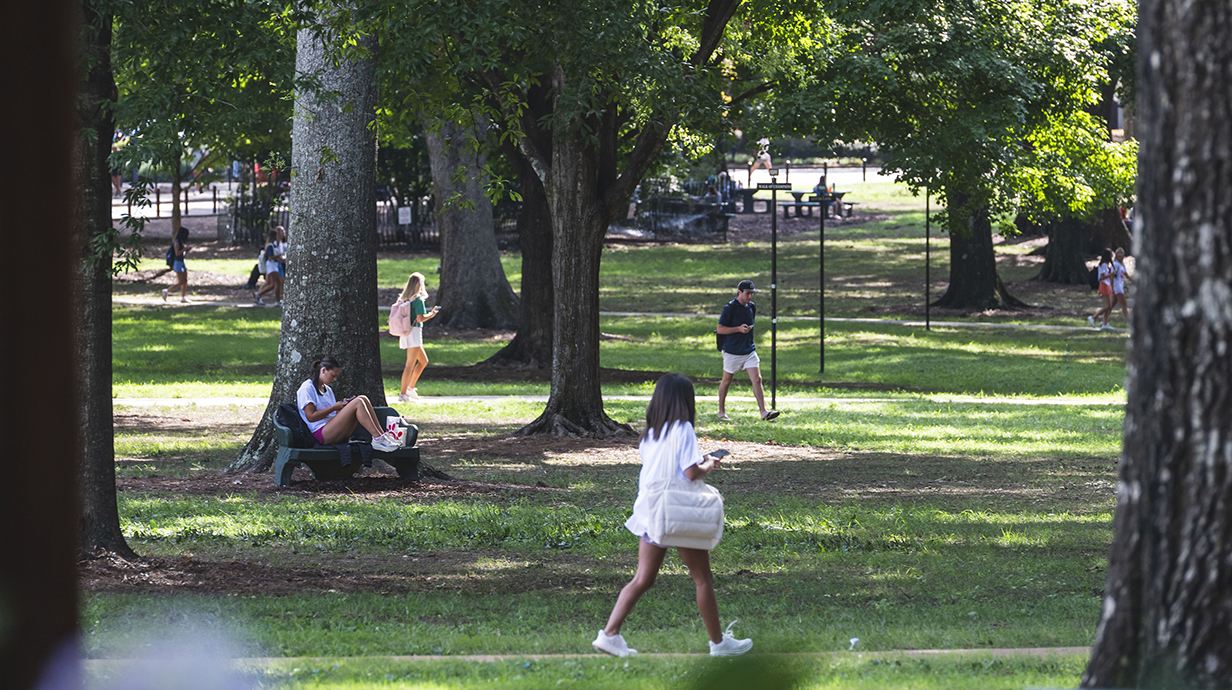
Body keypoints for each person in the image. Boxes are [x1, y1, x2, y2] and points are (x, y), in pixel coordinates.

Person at [593, 373, 753, 658]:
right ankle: (719, 644)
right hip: (677, 511)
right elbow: (690, 473)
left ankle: (610, 634)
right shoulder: (684, 430)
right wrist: (710, 463)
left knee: (642, 578)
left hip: (651, 510)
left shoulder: (651, 435)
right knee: (702, 579)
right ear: (685, 401)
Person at [298, 356, 401, 452]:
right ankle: (378, 439)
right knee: (358, 402)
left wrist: (342, 408)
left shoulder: (327, 389)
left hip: (332, 428)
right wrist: (334, 407)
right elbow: (310, 416)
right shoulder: (307, 388)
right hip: (321, 434)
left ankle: (382, 436)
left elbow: (331, 414)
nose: (335, 380)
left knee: (362, 398)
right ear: (323, 370)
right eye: (333, 376)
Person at [717, 279, 779, 421]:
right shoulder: (730, 308)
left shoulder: (752, 307)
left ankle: (764, 412)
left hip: (749, 350)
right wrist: (738, 329)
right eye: (747, 293)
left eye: (752, 293)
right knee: (727, 380)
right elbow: (720, 329)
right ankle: (721, 411)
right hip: (732, 351)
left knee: (757, 379)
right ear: (739, 292)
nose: (750, 296)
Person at [395, 272, 440, 402]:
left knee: (423, 361)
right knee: (410, 364)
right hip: (414, 332)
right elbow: (420, 318)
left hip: (406, 331)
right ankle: (403, 394)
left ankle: (410, 388)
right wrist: (432, 314)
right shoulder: (418, 299)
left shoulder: (405, 298)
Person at [255, 226, 286, 306]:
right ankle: (277, 300)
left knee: (272, 284)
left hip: (274, 265)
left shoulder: (273, 245)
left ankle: (259, 295)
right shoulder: (270, 246)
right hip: (272, 265)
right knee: (277, 283)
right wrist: (278, 255)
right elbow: (270, 257)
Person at [1088, 249, 1115, 329]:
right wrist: (1111, 274)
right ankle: (1093, 317)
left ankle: (1105, 323)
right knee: (1107, 306)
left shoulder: (1106, 265)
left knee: (1109, 306)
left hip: (1107, 285)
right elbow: (1101, 277)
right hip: (1103, 285)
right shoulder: (1103, 265)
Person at [162, 227, 190, 303]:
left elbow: (182, 254)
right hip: (177, 263)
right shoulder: (176, 242)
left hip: (181, 262)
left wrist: (187, 250)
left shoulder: (181, 242)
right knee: (181, 281)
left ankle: (183, 297)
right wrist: (185, 249)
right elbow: (177, 253)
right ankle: (167, 290)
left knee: (185, 280)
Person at [1110, 247, 1132, 326]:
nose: (1119, 255)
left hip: (1120, 286)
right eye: (1118, 253)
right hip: (1117, 287)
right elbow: (1112, 276)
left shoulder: (1122, 264)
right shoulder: (1115, 264)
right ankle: (1130, 322)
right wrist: (1112, 288)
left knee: (1111, 305)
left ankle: (1101, 320)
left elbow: (1126, 275)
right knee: (1124, 304)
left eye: (1121, 253)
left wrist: (1133, 280)